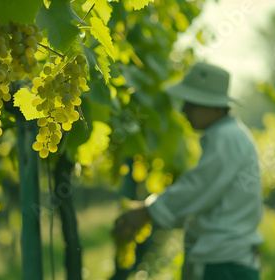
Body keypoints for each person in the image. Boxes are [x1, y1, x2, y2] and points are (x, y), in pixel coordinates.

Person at [112, 62, 264, 280]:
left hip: (222, 264)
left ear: (215, 107)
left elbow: (197, 189)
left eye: (191, 104)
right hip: (228, 259)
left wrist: (148, 211)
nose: (184, 110)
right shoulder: (230, 135)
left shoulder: (226, 138)